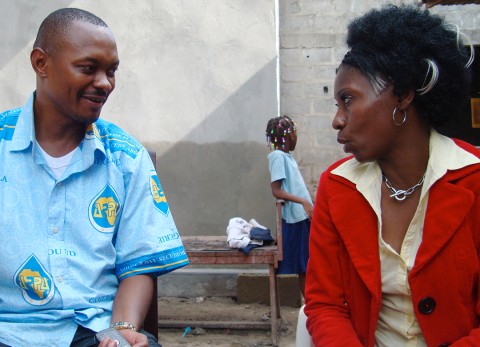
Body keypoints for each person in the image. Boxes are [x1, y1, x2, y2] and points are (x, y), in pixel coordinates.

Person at [0, 8, 189, 347]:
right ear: (41, 63)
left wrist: (122, 330)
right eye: (88, 68)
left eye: (111, 71)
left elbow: (138, 264)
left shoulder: (126, 158)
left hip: (95, 331)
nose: (104, 83)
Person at [304, 3, 480, 347]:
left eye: (348, 99)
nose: (337, 120)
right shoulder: (337, 186)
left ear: (402, 95)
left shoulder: (474, 178)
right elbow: (325, 305)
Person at [265, 115, 314, 297]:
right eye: (295, 132)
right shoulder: (278, 156)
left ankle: (310, 306)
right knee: (303, 266)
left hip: (301, 217)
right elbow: (276, 190)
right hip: (294, 219)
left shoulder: (287, 156)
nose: (296, 136)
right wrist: (303, 201)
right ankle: (309, 307)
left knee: (307, 265)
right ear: (289, 136)